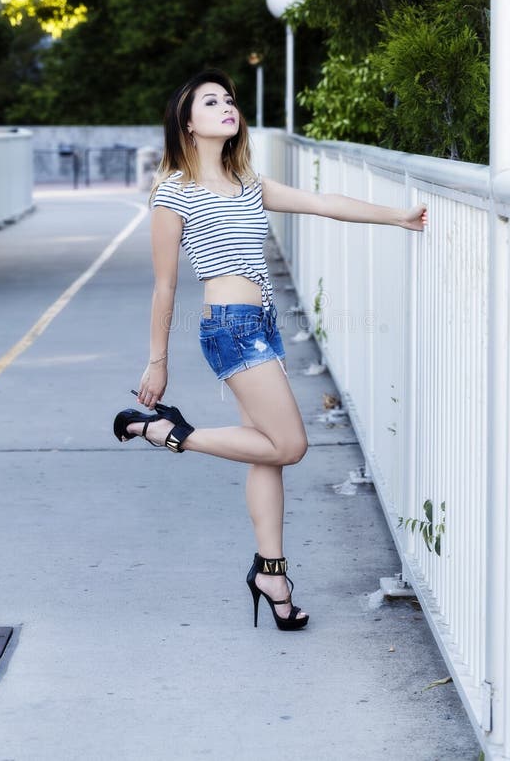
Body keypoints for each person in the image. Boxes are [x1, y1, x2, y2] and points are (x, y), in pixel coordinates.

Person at [113, 68, 428, 631]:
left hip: (261, 323)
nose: (227, 106)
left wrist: (397, 217)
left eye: (230, 100)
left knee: (266, 453)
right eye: (212, 101)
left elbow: (325, 202)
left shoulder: (248, 183)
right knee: (290, 445)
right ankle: (166, 432)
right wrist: (157, 361)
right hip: (230, 328)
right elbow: (165, 285)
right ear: (187, 124)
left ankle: (273, 576)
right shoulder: (172, 192)